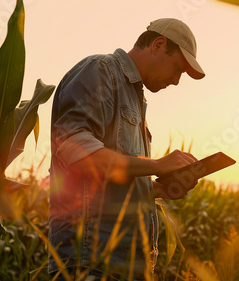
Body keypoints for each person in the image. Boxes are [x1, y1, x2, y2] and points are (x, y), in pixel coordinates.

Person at [48, 18, 205, 280]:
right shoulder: (100, 71)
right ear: (158, 45)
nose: (177, 81)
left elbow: (109, 179)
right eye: (178, 68)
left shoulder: (134, 96)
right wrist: (157, 165)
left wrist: (154, 189)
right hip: (92, 260)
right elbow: (76, 152)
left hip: (124, 264)